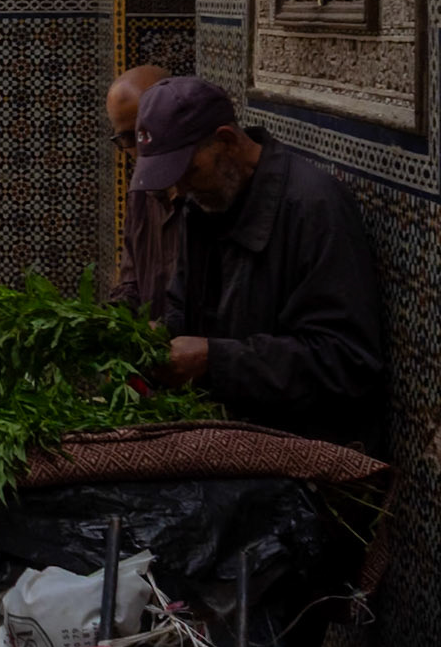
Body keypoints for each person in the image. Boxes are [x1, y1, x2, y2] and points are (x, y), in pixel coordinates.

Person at [133, 75, 385, 446]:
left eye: (189, 172)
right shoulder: (203, 204)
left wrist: (214, 361)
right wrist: (160, 339)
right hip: (226, 431)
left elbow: (346, 363)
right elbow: (182, 305)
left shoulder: (312, 209)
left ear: (228, 141)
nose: (181, 189)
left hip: (299, 445)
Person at [105, 62, 179, 322]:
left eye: (144, 134)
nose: (138, 150)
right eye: (126, 139)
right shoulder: (142, 188)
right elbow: (131, 279)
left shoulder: (204, 194)